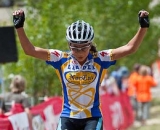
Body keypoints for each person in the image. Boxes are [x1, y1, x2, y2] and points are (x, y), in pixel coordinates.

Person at [12, 9, 149, 130]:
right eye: (74, 47)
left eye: (84, 47)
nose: (79, 51)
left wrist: (143, 26)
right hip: (68, 117)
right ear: (68, 44)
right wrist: (19, 27)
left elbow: (129, 48)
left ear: (90, 45)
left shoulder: (100, 59)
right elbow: (30, 50)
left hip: (92, 118)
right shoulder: (60, 58)